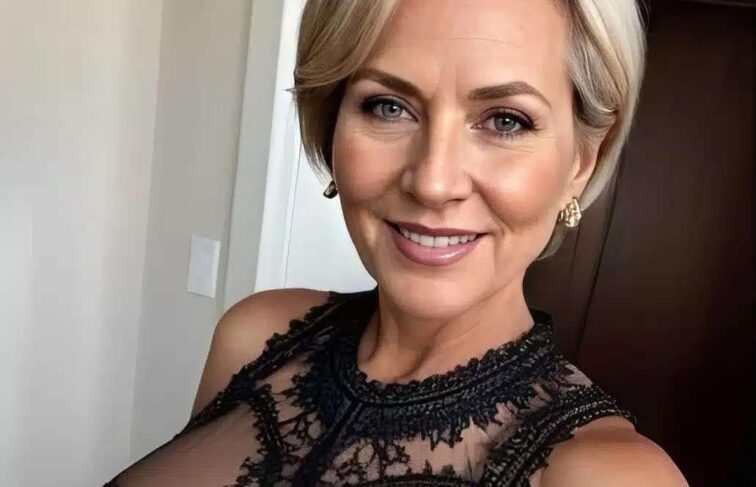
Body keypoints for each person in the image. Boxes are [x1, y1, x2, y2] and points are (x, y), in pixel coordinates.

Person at [106, 0, 689, 485]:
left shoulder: (607, 473)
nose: (433, 182)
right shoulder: (252, 336)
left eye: (505, 120)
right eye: (389, 107)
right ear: (331, 123)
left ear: (581, 161)